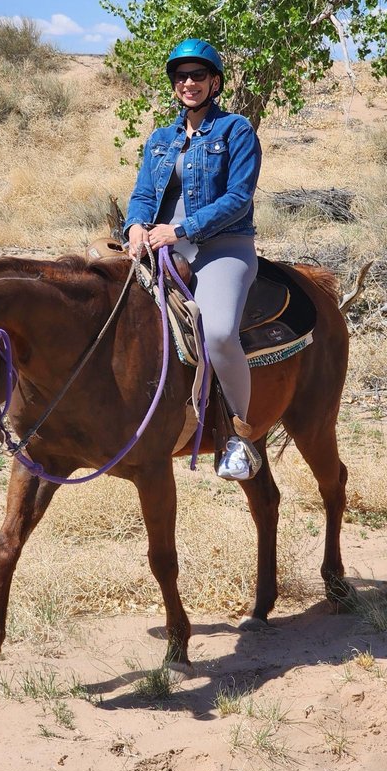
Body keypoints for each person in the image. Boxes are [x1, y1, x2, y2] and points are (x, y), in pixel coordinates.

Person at [124, 38, 262, 480]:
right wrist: (136, 226)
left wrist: (181, 229)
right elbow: (144, 193)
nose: (189, 83)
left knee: (219, 333)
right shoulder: (160, 139)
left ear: (214, 82)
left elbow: (239, 198)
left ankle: (241, 436)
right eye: (181, 76)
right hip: (162, 245)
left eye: (198, 75)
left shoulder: (236, 130)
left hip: (223, 245)